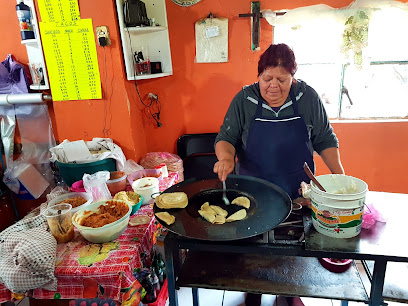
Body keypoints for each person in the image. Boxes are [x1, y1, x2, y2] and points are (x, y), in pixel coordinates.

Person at [213, 43, 345, 306]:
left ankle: (290, 291)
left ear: (292, 78)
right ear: (258, 75)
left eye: (282, 80)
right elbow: (225, 138)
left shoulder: (307, 98)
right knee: (255, 248)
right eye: (267, 78)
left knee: (294, 245)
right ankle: (253, 289)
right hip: (254, 194)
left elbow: (325, 138)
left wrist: (339, 175)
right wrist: (226, 157)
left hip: (297, 193)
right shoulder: (244, 100)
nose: (274, 85)